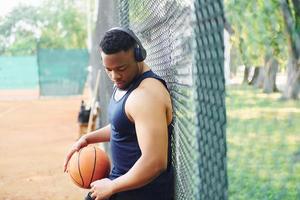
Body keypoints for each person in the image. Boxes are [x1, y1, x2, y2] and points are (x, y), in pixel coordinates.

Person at [63, 27, 174, 200]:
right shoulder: (127, 82)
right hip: (122, 185)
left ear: (139, 55)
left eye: (121, 68)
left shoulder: (145, 96)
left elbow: (155, 162)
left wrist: (112, 186)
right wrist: (87, 138)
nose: (115, 76)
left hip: (139, 193)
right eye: (108, 69)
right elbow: (122, 126)